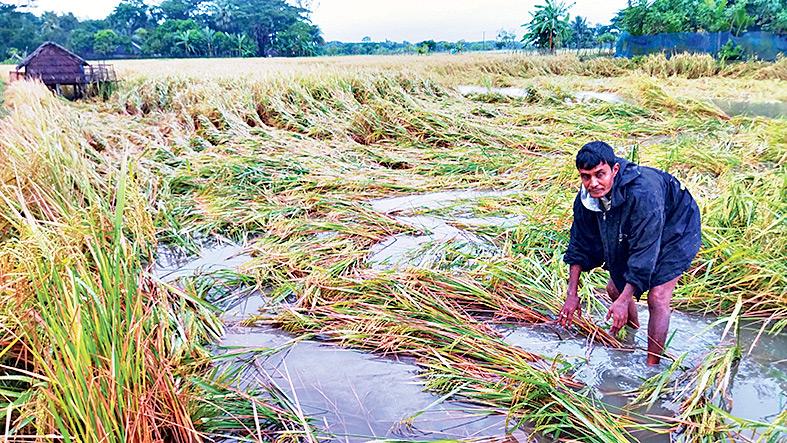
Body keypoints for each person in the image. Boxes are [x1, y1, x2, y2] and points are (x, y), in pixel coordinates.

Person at [558, 141, 702, 365]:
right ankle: (631, 337)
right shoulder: (587, 197)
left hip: (676, 224)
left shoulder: (643, 193)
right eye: (586, 177)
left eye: (600, 174)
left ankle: (651, 367)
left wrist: (626, 299)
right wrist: (571, 294)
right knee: (615, 288)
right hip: (637, 223)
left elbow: (645, 252)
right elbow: (579, 242)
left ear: (614, 170)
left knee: (658, 297)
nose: (593, 183)